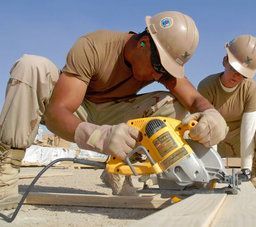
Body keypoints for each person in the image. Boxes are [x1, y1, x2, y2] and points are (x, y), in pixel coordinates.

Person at [0, 11, 228, 209]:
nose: (159, 76)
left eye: (165, 70)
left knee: (173, 104)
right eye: (159, 66)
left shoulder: (158, 65)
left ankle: (122, 168)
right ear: (143, 43)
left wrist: (212, 115)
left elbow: (195, 99)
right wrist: (99, 135)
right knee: (32, 67)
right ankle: (6, 172)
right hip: (75, 110)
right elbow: (57, 113)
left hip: (114, 114)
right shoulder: (94, 46)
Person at [198, 34, 256, 191]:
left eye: (243, 74)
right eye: (233, 69)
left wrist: (246, 168)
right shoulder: (207, 85)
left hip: (242, 137)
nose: (236, 76)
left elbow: (249, 128)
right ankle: (205, 172)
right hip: (216, 135)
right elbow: (208, 126)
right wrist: (215, 170)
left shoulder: (251, 88)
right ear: (225, 61)